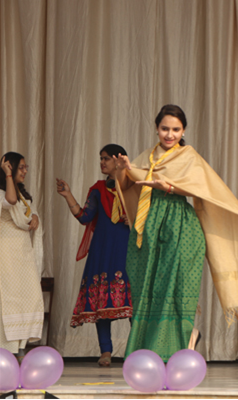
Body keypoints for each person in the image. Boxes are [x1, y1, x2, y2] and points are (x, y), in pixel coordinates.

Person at [114, 104, 238, 362]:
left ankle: (178, 342)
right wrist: (123, 169)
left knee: (171, 286)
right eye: (165, 128)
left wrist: (167, 187)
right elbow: (126, 186)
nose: (170, 134)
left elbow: (202, 189)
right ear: (156, 128)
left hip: (179, 225)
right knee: (146, 286)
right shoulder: (147, 157)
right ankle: (148, 349)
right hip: (149, 226)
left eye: (175, 129)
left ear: (183, 130)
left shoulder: (188, 156)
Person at [56, 144, 132, 367]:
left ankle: (135, 350)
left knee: (133, 302)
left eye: (106, 158)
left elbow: (147, 216)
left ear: (118, 160)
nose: (102, 162)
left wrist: (135, 218)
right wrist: (68, 195)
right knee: (102, 301)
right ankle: (105, 351)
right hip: (102, 250)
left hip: (128, 249)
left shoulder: (134, 186)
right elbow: (84, 217)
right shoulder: (97, 189)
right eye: (101, 158)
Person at [0, 152, 44, 360]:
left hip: (23, 254)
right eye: (21, 167)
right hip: (6, 252)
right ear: (10, 167)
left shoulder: (23, 194)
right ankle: (8, 348)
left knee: (30, 295)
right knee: (9, 298)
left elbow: (28, 213)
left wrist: (34, 216)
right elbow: (10, 201)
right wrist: (7, 175)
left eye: (26, 168)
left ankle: (20, 344)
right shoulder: (2, 192)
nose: (25, 171)